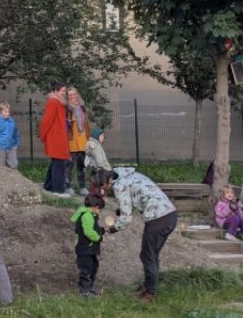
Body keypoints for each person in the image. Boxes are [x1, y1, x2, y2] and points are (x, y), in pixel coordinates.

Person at [96, 167, 177, 302]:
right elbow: (139, 195)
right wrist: (121, 210)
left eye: (102, 185)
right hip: (169, 214)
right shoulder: (129, 174)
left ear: (108, 180)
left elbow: (126, 219)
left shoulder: (119, 186)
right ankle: (148, 287)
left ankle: (149, 293)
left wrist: (112, 229)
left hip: (158, 218)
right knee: (151, 254)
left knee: (147, 256)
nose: (103, 188)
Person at [71, 194, 106, 297]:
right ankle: (85, 291)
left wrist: (102, 230)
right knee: (86, 269)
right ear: (95, 207)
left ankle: (89, 288)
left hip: (89, 249)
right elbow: (88, 231)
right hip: (85, 248)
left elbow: (93, 228)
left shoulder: (90, 215)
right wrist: (99, 238)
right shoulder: (87, 215)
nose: (100, 211)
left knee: (93, 267)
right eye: (100, 208)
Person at [39, 83, 70, 195]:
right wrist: (43, 136)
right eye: (62, 91)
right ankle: (58, 190)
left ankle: (48, 187)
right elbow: (46, 121)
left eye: (65, 91)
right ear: (56, 91)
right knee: (59, 164)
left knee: (55, 163)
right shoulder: (53, 102)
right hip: (56, 137)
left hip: (58, 136)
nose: (64, 93)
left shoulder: (59, 102)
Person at [66, 88, 91, 195]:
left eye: (74, 94)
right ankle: (67, 187)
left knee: (81, 166)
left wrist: (88, 136)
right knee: (69, 166)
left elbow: (87, 123)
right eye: (69, 95)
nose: (72, 97)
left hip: (82, 141)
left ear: (77, 95)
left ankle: (82, 187)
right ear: (67, 97)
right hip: (71, 141)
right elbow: (63, 124)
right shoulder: (66, 108)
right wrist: (70, 121)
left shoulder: (82, 107)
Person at [0, 102, 21, 169]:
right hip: (0, 147)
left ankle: (13, 179)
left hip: (11, 146)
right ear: (0, 112)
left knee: (14, 165)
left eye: (8, 111)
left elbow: (16, 132)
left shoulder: (11, 121)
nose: (8, 113)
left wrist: (16, 144)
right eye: (5, 112)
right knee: (0, 167)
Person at [85, 128, 111, 196]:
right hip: (100, 168)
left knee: (94, 183)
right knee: (101, 183)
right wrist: (103, 166)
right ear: (96, 136)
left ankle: (93, 195)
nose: (103, 138)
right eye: (101, 136)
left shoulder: (94, 144)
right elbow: (98, 157)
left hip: (95, 168)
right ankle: (100, 196)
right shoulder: (96, 146)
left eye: (103, 136)